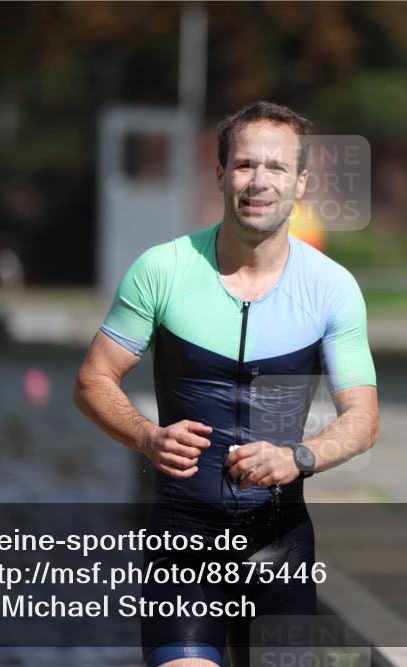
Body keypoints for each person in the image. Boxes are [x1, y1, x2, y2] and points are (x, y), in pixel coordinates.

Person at [74, 101, 379, 667]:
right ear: (220, 175)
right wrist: (146, 436)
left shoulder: (333, 289)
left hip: (279, 541)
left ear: (300, 182)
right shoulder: (162, 270)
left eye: (276, 167)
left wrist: (301, 457)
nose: (258, 182)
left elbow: (363, 419)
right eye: (243, 165)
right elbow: (93, 380)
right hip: (184, 538)